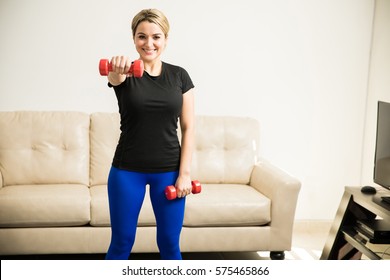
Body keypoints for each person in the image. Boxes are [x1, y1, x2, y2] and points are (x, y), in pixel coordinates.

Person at [104, 8, 195, 260]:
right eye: (141, 36)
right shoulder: (124, 73)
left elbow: (188, 127)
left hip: (169, 171)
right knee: (122, 242)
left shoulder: (179, 76)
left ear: (165, 39)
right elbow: (114, 77)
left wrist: (184, 174)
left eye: (156, 36)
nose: (149, 43)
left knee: (169, 243)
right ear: (134, 39)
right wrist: (117, 69)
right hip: (126, 171)